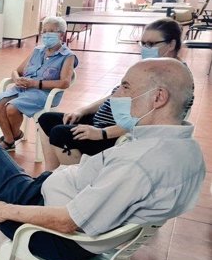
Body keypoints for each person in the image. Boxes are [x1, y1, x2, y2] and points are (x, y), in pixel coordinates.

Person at [0, 58, 204, 260]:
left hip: (55, 233)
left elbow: (69, 222)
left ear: (158, 98)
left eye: (125, 87)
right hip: (58, 200)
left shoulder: (140, 164)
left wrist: (4, 209)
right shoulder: (185, 150)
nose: (116, 95)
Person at [38, 18, 190, 170]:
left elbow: (148, 122)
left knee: (61, 133)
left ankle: (74, 182)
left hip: (115, 133)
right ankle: (49, 176)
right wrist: (82, 111)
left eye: (151, 44)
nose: (145, 48)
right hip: (101, 122)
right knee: (47, 119)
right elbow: (115, 95)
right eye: (143, 43)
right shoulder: (150, 67)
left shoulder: (175, 80)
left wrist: (102, 133)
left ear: (172, 44)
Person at [0, 16, 78, 151]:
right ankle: (11, 138)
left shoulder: (68, 56)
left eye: (51, 31)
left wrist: (35, 83)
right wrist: (16, 79)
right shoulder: (38, 50)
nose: (46, 34)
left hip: (43, 93)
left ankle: (10, 138)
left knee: (11, 108)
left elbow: (64, 83)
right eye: (44, 31)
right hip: (23, 88)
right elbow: (17, 71)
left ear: (61, 34)